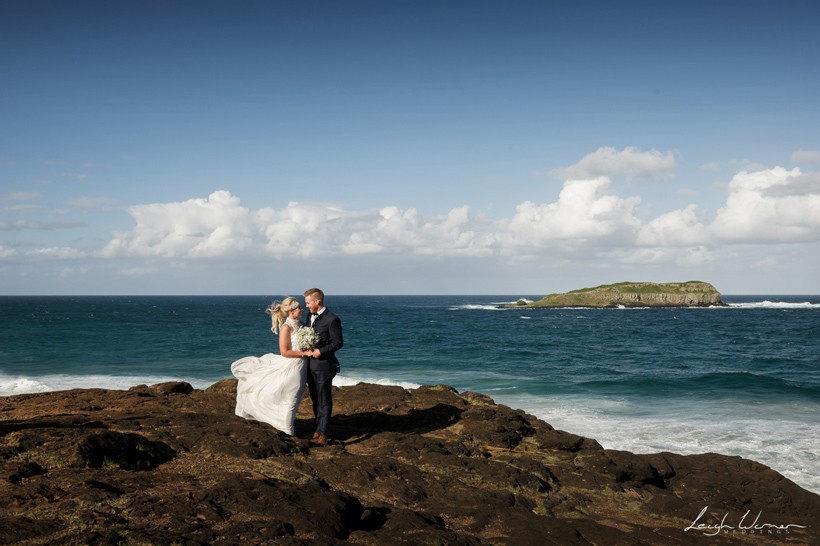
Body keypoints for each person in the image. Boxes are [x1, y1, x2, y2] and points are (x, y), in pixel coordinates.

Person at [230, 297, 314, 436]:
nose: (302, 309)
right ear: (292, 310)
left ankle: (286, 427)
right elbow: (284, 352)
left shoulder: (302, 325)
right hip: (292, 366)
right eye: (299, 307)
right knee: (290, 398)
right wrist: (304, 353)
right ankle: (287, 431)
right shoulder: (286, 327)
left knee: (296, 397)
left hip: (302, 366)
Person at [303, 288, 343, 446]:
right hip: (310, 366)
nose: (306, 306)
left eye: (308, 302)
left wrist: (321, 351)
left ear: (317, 302)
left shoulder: (332, 319)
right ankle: (317, 430)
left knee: (324, 399)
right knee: (315, 398)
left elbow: (338, 342)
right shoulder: (309, 316)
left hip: (325, 365)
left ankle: (323, 433)